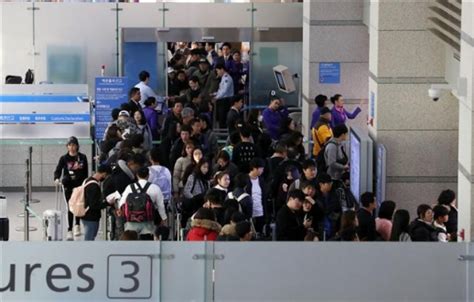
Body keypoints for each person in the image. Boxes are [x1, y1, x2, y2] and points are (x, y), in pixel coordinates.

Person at [54, 136, 88, 240]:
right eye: (69, 145)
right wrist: (56, 178)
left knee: (78, 205)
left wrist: (84, 183)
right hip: (68, 185)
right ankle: (69, 229)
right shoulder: (64, 158)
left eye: (73, 145)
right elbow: (58, 170)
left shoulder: (83, 157)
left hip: (79, 185)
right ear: (67, 146)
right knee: (70, 206)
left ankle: (77, 225)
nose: (72, 147)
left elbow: (85, 172)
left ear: (77, 146)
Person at [118, 167, 167, 240]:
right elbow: (160, 206)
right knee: (147, 241)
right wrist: (164, 219)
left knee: (131, 241)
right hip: (147, 222)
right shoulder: (155, 188)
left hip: (131, 222)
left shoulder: (129, 187)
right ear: (148, 176)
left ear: (137, 175)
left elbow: (122, 203)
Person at [81, 165, 113, 241]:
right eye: (106, 176)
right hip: (91, 217)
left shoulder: (87, 180)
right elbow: (94, 205)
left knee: (89, 237)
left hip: (85, 213)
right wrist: (107, 203)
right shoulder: (94, 186)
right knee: (89, 239)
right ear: (104, 174)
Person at [246, 158, 267, 235]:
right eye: (261, 168)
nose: (262, 170)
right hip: (250, 213)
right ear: (255, 168)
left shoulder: (261, 180)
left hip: (260, 212)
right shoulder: (245, 179)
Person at [213, 63, 234, 128]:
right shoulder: (223, 78)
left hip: (225, 101)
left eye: (217, 71)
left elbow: (225, 90)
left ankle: (223, 135)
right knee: (220, 118)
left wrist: (217, 97)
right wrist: (215, 94)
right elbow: (221, 90)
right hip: (222, 100)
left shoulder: (226, 78)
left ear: (222, 69)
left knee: (223, 118)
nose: (217, 72)